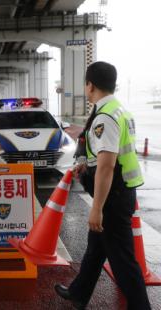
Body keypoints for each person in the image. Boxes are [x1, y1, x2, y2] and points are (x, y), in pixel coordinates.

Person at [54, 61, 151, 310]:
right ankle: (78, 293)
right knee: (96, 247)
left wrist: (97, 208)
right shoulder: (117, 109)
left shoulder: (105, 117)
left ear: (90, 85)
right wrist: (86, 164)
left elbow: (107, 165)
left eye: (86, 84)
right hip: (120, 190)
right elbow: (105, 156)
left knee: (123, 260)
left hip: (113, 196)